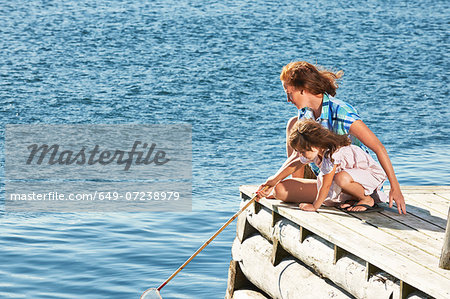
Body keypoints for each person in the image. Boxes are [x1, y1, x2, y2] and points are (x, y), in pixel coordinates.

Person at [258, 61, 406, 214]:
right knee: (281, 189)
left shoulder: (341, 112)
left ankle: (359, 196)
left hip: (354, 181)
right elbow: (299, 156)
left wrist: (395, 187)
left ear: (303, 90)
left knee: (286, 189)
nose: (288, 99)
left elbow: (378, 147)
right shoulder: (305, 114)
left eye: (289, 93)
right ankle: (329, 194)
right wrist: (273, 180)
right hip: (328, 177)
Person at [266, 119, 390, 212]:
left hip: (370, 175)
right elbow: (295, 164)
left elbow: (326, 185)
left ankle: (366, 199)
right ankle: (354, 198)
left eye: (302, 151)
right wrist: (274, 180)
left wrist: (314, 206)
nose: (300, 154)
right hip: (353, 179)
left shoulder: (332, 155)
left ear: (314, 146)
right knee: (339, 181)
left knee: (340, 178)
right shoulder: (317, 151)